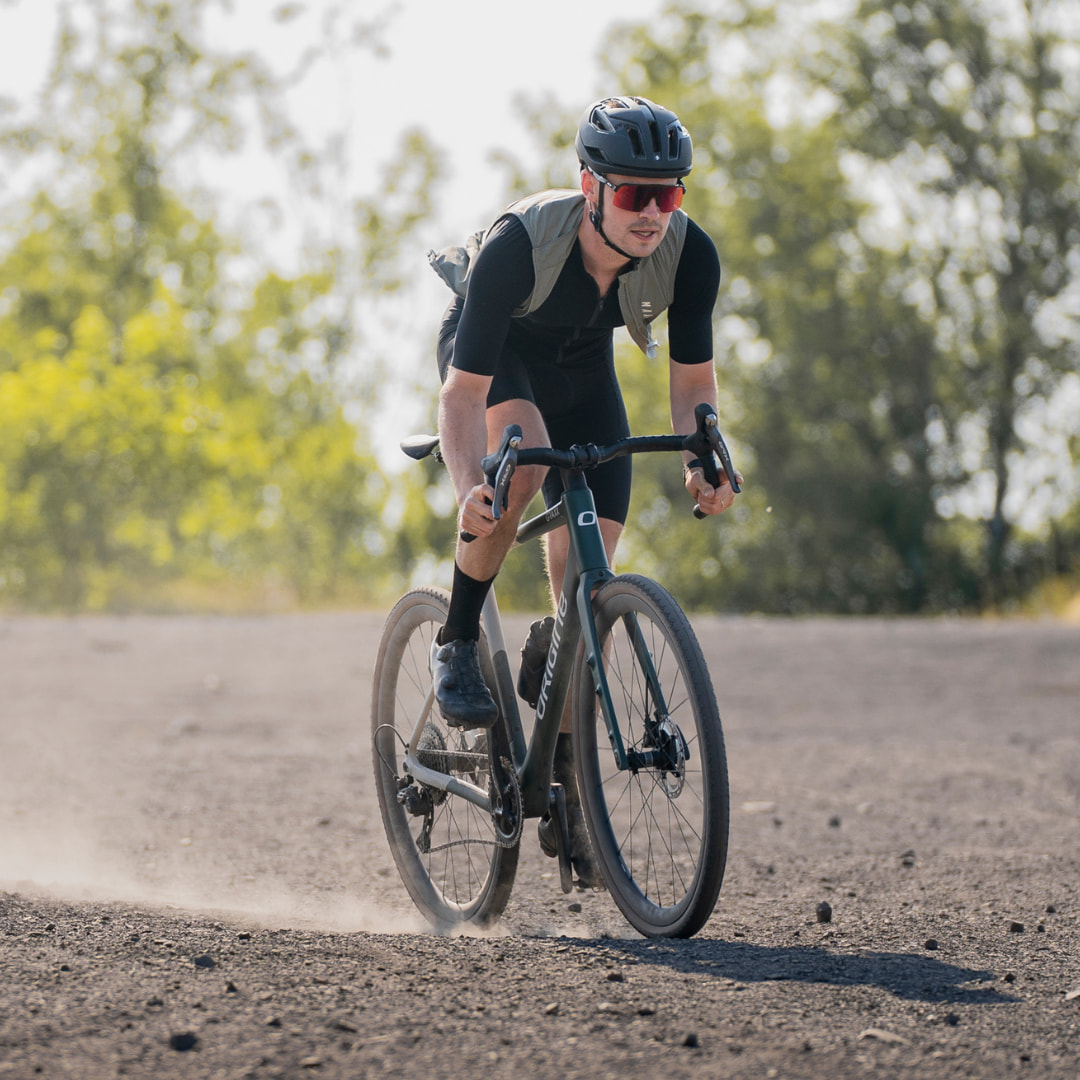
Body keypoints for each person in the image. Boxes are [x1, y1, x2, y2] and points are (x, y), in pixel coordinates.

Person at [428, 95, 738, 885]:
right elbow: (462, 398)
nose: (652, 214)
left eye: (668, 195)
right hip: (496, 360)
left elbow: (693, 385)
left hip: (584, 371)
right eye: (634, 194)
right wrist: (469, 488)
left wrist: (702, 459)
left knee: (586, 575)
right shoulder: (520, 246)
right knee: (523, 468)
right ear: (589, 185)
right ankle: (456, 639)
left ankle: (564, 775)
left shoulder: (690, 256)